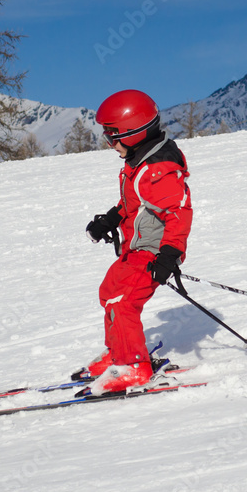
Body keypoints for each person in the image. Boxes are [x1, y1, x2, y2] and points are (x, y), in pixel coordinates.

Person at [80, 89, 193, 395]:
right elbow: (134, 204)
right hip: (136, 248)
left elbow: (178, 213)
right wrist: (110, 220)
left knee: (123, 301)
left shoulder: (157, 171)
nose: (109, 144)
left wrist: (169, 256)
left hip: (154, 252)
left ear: (133, 133)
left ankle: (133, 367)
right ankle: (118, 354)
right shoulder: (139, 163)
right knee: (110, 292)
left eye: (112, 136)